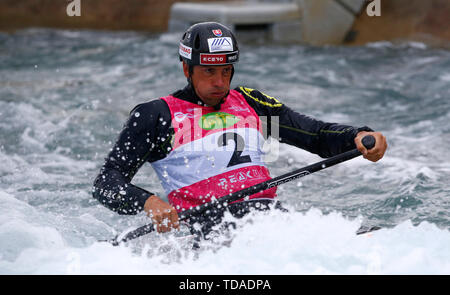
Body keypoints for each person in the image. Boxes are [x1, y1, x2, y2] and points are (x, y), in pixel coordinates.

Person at [92, 22, 387, 241]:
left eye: (226, 71)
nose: (220, 82)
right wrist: (149, 202)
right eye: (209, 71)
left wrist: (357, 137)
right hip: (210, 232)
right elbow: (106, 181)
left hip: (271, 220)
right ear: (186, 69)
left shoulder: (250, 104)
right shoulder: (156, 116)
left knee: (375, 239)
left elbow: (316, 135)